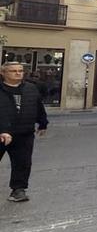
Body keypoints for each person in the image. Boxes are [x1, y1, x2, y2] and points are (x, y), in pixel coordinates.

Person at [0, 62, 48, 202]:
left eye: (20, 71)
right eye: (13, 71)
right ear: (3, 73)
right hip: (2, 134)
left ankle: (18, 190)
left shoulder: (31, 88)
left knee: (23, 163)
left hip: (24, 132)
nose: (18, 73)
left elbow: (38, 106)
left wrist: (43, 123)